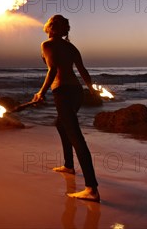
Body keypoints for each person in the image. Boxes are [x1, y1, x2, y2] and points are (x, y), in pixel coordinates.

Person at [32, 14, 100, 202]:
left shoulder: (47, 45)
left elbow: (52, 70)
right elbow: (83, 71)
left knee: (75, 136)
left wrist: (41, 93)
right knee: (61, 125)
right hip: (77, 92)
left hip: (62, 92)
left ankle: (91, 189)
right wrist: (91, 90)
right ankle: (69, 165)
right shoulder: (71, 47)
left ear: (51, 27)